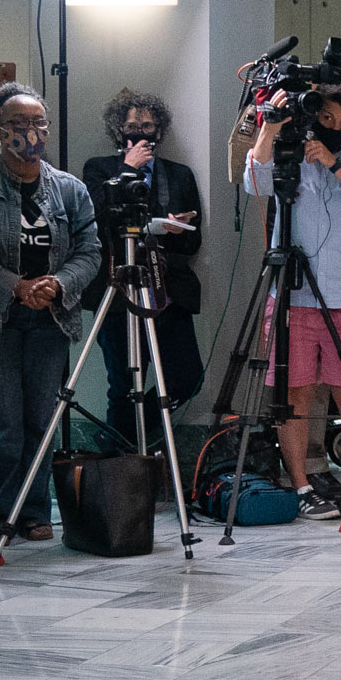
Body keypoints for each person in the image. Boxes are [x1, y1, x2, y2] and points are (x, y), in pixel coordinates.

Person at [0, 87, 98, 543]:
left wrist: (59, 283)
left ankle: (33, 511)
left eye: (38, 124)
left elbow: (90, 251)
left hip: (50, 318)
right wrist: (14, 285)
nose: (29, 133)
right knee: (2, 424)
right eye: (17, 124)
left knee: (41, 421)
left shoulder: (70, 189)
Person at [243, 81, 341, 510]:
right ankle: (302, 486)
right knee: (294, 395)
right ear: (313, 116)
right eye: (326, 119)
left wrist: (336, 166)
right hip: (293, 295)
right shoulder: (292, 155)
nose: (336, 128)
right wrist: (270, 129)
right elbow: (255, 181)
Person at [79, 89, 205, 455]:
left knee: (186, 379)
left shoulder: (178, 175)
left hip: (170, 293)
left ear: (160, 131)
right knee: (124, 383)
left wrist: (175, 230)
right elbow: (97, 222)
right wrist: (128, 169)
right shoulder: (99, 168)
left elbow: (193, 243)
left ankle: (122, 438)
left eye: (149, 126)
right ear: (118, 131)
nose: (141, 132)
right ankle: (118, 468)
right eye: (133, 126)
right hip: (118, 292)